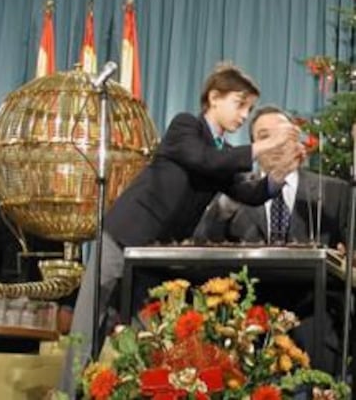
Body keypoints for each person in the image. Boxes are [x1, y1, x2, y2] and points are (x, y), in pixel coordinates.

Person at [60, 63, 305, 394]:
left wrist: (281, 172)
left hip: (153, 256)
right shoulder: (185, 127)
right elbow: (203, 160)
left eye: (248, 108)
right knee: (89, 324)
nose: (244, 115)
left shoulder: (222, 153)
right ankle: (67, 393)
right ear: (213, 98)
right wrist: (264, 146)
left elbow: (250, 192)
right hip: (123, 237)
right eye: (240, 103)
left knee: (152, 335)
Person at [193, 104, 350, 374]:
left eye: (282, 134)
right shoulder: (235, 195)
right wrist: (224, 207)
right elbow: (201, 247)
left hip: (316, 338)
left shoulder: (335, 193)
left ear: (296, 140)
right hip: (250, 339)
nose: (275, 143)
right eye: (265, 136)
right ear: (254, 148)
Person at [0, 206, 78, 334]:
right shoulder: (5, 211)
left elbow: (73, 263)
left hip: (50, 303)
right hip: (10, 303)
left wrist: (68, 307)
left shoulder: (59, 209)